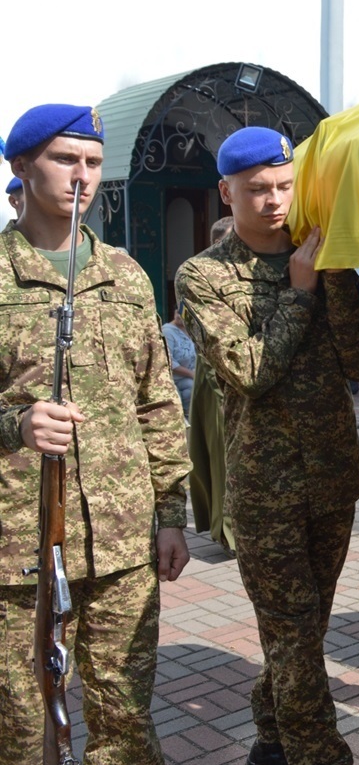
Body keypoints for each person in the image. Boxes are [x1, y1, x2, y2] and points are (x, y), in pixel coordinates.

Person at [176, 127, 359, 765]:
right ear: (226, 193)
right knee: (292, 631)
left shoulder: (321, 255)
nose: (274, 201)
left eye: (285, 187)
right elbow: (250, 370)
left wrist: (335, 275)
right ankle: (318, 751)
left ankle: (270, 733)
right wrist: (298, 294)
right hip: (266, 488)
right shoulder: (204, 275)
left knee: (305, 627)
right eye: (257, 189)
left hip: (334, 477)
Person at [0, 103, 191, 763]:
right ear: (22, 166)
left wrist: (172, 516)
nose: (81, 174)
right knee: (20, 728)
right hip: (17, 550)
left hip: (123, 543)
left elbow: (157, 403)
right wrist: (15, 424)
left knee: (125, 724)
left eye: (92, 162)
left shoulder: (125, 274)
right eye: (64, 159)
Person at [187, 215, 236, 554]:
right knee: (220, 458)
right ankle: (227, 533)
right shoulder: (200, 276)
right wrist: (222, 395)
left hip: (232, 381)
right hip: (215, 381)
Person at [162, 302, 197, 418]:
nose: (179, 316)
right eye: (177, 312)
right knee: (191, 388)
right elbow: (168, 360)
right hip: (174, 379)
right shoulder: (167, 331)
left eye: (182, 313)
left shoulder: (192, 330)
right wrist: (191, 374)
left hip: (191, 376)